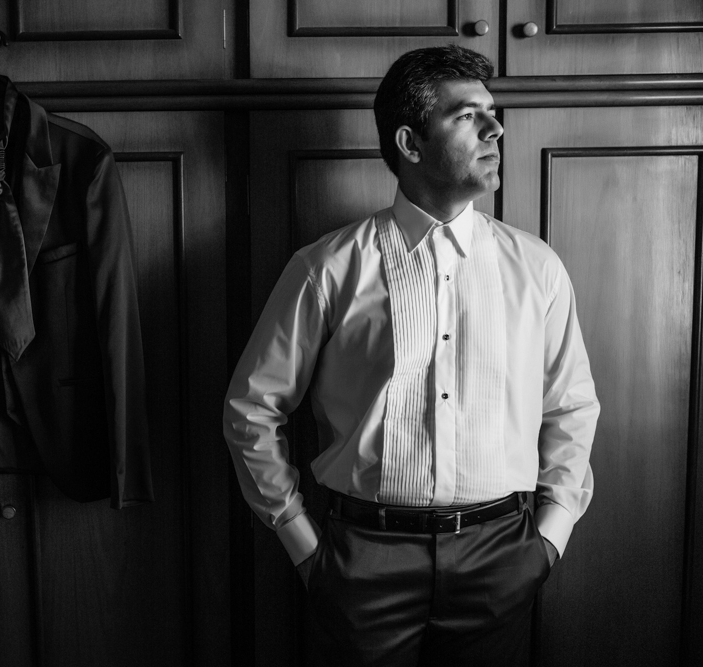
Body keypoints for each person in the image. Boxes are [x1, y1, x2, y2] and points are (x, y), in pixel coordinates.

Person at [222, 45, 599, 666]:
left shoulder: (538, 269)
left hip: (501, 555)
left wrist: (547, 541)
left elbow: (572, 407)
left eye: (492, 111)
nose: (496, 128)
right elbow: (252, 409)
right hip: (360, 560)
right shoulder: (327, 269)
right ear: (410, 143)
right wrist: (306, 548)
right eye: (467, 115)